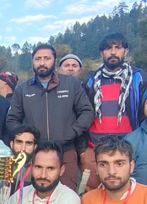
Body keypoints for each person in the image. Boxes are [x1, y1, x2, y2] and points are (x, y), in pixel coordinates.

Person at [7, 44, 94, 191]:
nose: (42, 63)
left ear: (54, 60)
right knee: (32, 196)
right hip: (34, 155)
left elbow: (87, 112)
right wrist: (27, 138)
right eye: (38, 59)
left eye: (47, 58)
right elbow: (12, 120)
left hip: (66, 151)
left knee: (67, 195)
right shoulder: (23, 89)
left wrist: (71, 132)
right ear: (32, 62)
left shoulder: (71, 84)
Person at [82, 33, 147, 191]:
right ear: (101, 53)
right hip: (94, 147)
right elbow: (83, 113)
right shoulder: (91, 81)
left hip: (128, 146)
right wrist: (83, 148)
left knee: (126, 194)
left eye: (117, 48)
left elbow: (143, 113)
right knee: (94, 195)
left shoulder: (138, 78)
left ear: (125, 51)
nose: (113, 52)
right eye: (108, 48)